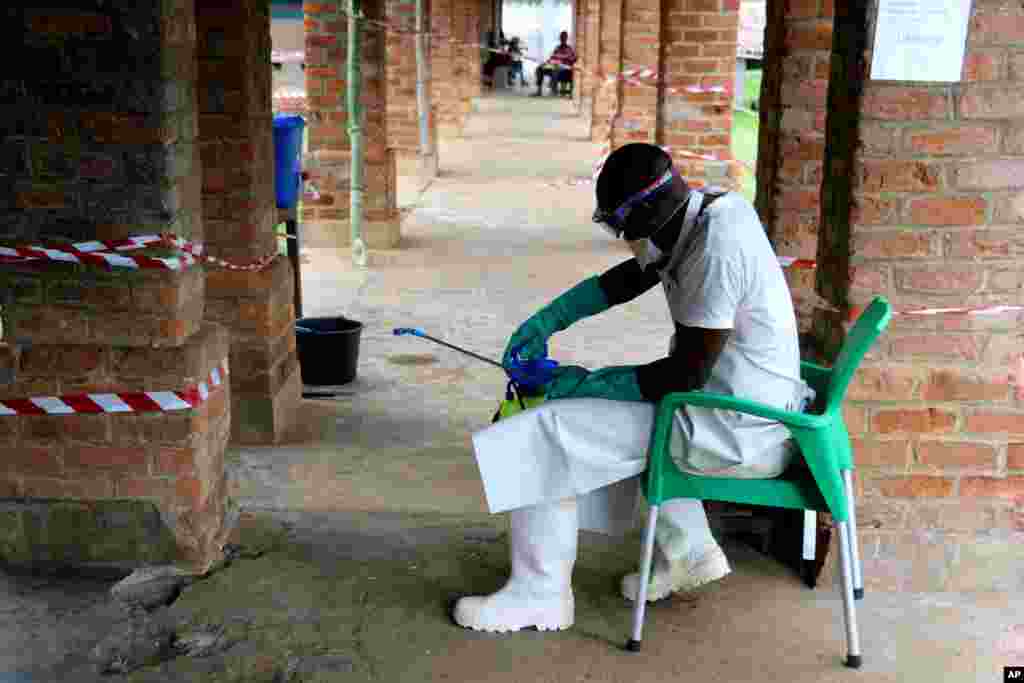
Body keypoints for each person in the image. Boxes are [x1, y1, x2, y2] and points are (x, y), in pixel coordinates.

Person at [451, 143, 814, 633]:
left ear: (650, 214)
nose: (624, 240)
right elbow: (630, 278)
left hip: (733, 430)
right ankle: (689, 552)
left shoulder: (716, 251)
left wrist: (584, 383)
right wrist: (550, 319)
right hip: (746, 407)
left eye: (625, 229)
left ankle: (538, 595)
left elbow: (683, 376)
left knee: (543, 429)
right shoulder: (706, 210)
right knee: (599, 410)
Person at [533, 31, 576, 97]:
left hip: (564, 68)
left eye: (564, 37)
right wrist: (547, 62)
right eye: (561, 37)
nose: (562, 39)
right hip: (554, 65)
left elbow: (572, 58)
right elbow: (552, 57)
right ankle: (539, 91)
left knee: (555, 70)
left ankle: (554, 90)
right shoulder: (557, 48)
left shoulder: (569, 48)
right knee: (539, 68)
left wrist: (561, 58)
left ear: (566, 38)